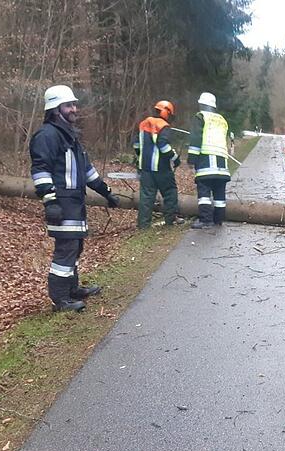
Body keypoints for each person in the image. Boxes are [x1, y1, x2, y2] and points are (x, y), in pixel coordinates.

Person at [30, 85, 119, 312]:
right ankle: (60, 299)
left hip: (75, 203)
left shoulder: (70, 136)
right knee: (66, 249)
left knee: (75, 247)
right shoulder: (47, 135)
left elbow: (87, 171)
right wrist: (50, 202)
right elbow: (40, 170)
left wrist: (106, 192)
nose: (74, 109)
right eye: (69, 105)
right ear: (55, 108)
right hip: (61, 203)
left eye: (74, 105)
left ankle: (72, 289)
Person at [133, 100, 181, 228]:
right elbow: (163, 146)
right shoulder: (163, 126)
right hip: (161, 168)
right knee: (170, 192)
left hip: (145, 168)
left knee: (147, 197)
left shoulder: (143, 124)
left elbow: (136, 145)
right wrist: (175, 158)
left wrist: (140, 157)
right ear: (166, 112)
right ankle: (171, 220)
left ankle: (143, 225)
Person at [188, 92, 232, 229]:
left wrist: (192, 159)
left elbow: (196, 139)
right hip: (222, 164)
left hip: (206, 161)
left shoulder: (201, 117)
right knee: (219, 194)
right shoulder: (222, 120)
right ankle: (218, 219)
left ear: (202, 104)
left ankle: (205, 220)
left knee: (204, 193)